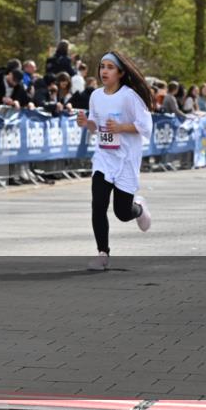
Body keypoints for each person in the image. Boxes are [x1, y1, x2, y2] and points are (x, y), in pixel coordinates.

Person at [75, 50, 154, 271]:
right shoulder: (96, 96)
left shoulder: (130, 96)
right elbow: (94, 126)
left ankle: (137, 207)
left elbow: (145, 127)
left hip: (126, 160)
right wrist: (85, 123)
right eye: (102, 67)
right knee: (98, 205)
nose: (104, 71)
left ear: (120, 72)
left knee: (122, 212)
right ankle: (102, 254)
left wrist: (120, 127)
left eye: (110, 67)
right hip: (103, 158)